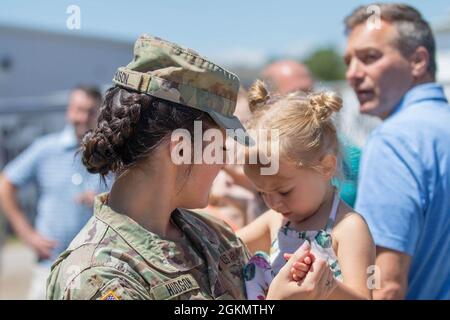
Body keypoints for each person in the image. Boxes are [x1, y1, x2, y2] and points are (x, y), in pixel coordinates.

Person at [46, 34, 336, 300]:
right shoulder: (97, 276)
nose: (223, 163)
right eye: (219, 148)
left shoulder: (214, 235)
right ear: (180, 149)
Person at [344, 3, 450, 299]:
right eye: (348, 61)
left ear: (418, 60)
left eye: (370, 57)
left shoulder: (393, 140)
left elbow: (386, 284)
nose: (353, 73)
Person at [237, 80, 375, 300]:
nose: (273, 203)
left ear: (326, 167)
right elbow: (229, 245)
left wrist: (326, 283)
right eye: (262, 193)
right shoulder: (276, 220)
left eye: (284, 192)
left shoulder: (347, 228)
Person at [0, 85, 104, 299]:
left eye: (90, 111)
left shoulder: (109, 154)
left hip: (96, 269)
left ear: (99, 113)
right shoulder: (45, 149)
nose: (83, 117)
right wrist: (27, 235)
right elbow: (5, 185)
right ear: (69, 111)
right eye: (78, 110)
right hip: (50, 267)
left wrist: (103, 200)